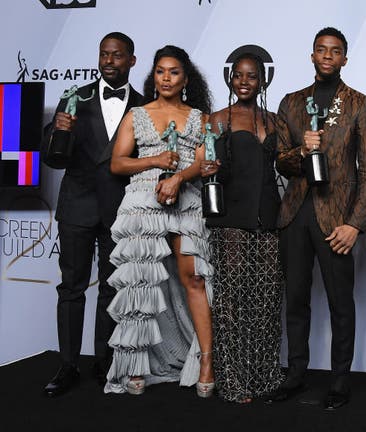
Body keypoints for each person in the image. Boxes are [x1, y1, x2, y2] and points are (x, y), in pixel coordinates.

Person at [266, 27, 366, 410]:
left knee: (340, 304)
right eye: (321, 49)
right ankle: (295, 376)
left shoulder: (360, 104)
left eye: (335, 51)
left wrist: (354, 224)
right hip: (295, 215)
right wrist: (301, 150)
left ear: (345, 58)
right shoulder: (291, 102)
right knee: (296, 301)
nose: (327, 56)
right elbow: (281, 162)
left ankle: (340, 382)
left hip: (337, 221)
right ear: (312, 55)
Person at [104, 45, 215, 397]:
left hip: (186, 198)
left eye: (174, 72)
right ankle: (135, 364)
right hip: (142, 199)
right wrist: (154, 162)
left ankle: (207, 362)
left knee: (194, 278)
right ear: (153, 76)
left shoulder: (199, 118)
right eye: (160, 71)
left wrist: (178, 177)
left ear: (186, 79)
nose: (166, 78)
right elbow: (118, 163)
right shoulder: (137, 115)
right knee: (140, 282)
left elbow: (203, 162)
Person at [41, 32, 142, 397]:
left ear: (131, 60)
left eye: (117, 55)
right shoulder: (76, 97)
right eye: (104, 54)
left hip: (120, 210)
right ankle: (68, 365)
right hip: (77, 207)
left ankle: (105, 363)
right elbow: (54, 158)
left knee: (111, 290)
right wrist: (56, 131)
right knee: (72, 288)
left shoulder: (143, 106)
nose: (109, 61)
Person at [201, 53, 284, 403]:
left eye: (251, 76)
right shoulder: (218, 119)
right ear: (231, 79)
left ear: (262, 81)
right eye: (238, 76)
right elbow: (209, 167)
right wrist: (207, 169)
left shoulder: (274, 120)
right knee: (232, 300)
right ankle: (233, 380)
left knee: (267, 299)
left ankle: (264, 376)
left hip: (269, 218)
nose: (244, 82)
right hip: (231, 219)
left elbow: (286, 163)